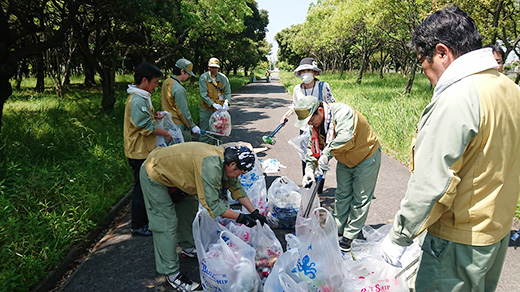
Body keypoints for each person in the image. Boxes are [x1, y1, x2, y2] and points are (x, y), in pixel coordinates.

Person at [380, 6, 520, 291]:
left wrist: (399, 237)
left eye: (425, 66)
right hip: (495, 234)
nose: (428, 77)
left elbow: (433, 183)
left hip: (458, 242)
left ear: (442, 53)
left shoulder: (459, 97)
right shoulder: (509, 89)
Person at [139, 142, 267, 291]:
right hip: (155, 173)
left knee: (189, 211)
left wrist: (254, 212)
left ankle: (188, 247)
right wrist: (241, 218)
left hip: (178, 175)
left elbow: (236, 187)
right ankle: (171, 274)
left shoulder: (227, 161)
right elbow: (213, 205)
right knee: (166, 224)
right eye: (240, 172)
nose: (239, 175)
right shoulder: (212, 167)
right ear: (232, 165)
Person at [294, 95, 381, 252]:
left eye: (310, 120)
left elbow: (345, 138)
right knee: (342, 195)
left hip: (366, 156)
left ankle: (350, 235)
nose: (310, 124)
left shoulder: (343, 113)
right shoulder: (315, 125)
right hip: (345, 159)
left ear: (319, 111)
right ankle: (336, 229)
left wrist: (326, 154)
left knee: (360, 198)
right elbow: (311, 148)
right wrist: (308, 168)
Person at [123, 62, 172, 236]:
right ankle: (137, 224)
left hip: (145, 150)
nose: (156, 86)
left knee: (146, 186)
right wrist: (165, 133)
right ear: (145, 80)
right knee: (141, 189)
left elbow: (146, 119)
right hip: (139, 151)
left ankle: (144, 219)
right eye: (155, 82)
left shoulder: (142, 97)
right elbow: (145, 127)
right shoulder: (137, 100)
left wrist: (155, 115)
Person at [281, 57, 337, 192]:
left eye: (309, 71)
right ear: (299, 74)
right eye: (303, 71)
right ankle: (308, 185)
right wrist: (287, 114)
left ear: (315, 73)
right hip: (304, 128)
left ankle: (318, 190)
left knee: (321, 158)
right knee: (307, 158)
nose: (306, 74)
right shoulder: (297, 89)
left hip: (320, 128)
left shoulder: (323, 86)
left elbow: (331, 105)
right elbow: (296, 105)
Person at [161, 58, 200, 142]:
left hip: (167, 123)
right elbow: (182, 112)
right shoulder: (179, 89)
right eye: (188, 73)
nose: (189, 76)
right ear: (182, 71)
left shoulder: (166, 82)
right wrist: (192, 126)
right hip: (179, 126)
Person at [199, 57, 231, 145]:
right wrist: (212, 104)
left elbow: (227, 92)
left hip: (219, 110)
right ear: (208, 67)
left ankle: (217, 152)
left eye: (215, 67)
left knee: (219, 132)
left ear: (218, 68)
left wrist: (226, 102)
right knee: (205, 133)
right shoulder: (203, 78)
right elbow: (203, 94)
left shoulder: (223, 78)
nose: (214, 69)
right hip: (207, 109)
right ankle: (203, 153)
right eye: (212, 67)